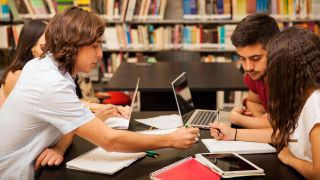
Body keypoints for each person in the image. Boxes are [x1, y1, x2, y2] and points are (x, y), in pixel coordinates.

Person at [0, 6, 199, 179]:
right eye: (95, 46)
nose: (100, 54)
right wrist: (171, 139)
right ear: (72, 45)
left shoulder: (44, 65)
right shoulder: (50, 83)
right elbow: (109, 140)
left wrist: (61, 146)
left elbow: (67, 120)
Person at [0, 19, 129, 172]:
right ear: (32, 48)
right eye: (49, 42)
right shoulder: (30, 77)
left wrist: (60, 147)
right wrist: (93, 116)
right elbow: (67, 111)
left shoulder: (48, 70)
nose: (57, 46)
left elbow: (68, 115)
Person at [212, 27, 320, 178]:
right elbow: (281, 134)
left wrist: (291, 160)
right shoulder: (300, 98)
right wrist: (232, 134)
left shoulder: (316, 105)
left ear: (289, 71)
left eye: (274, 69)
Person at [229, 13, 280, 128]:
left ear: (275, 49)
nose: (248, 67)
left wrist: (238, 119)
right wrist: (261, 121)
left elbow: (282, 127)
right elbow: (253, 102)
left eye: (255, 58)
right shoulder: (257, 73)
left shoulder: (289, 76)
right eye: (242, 58)